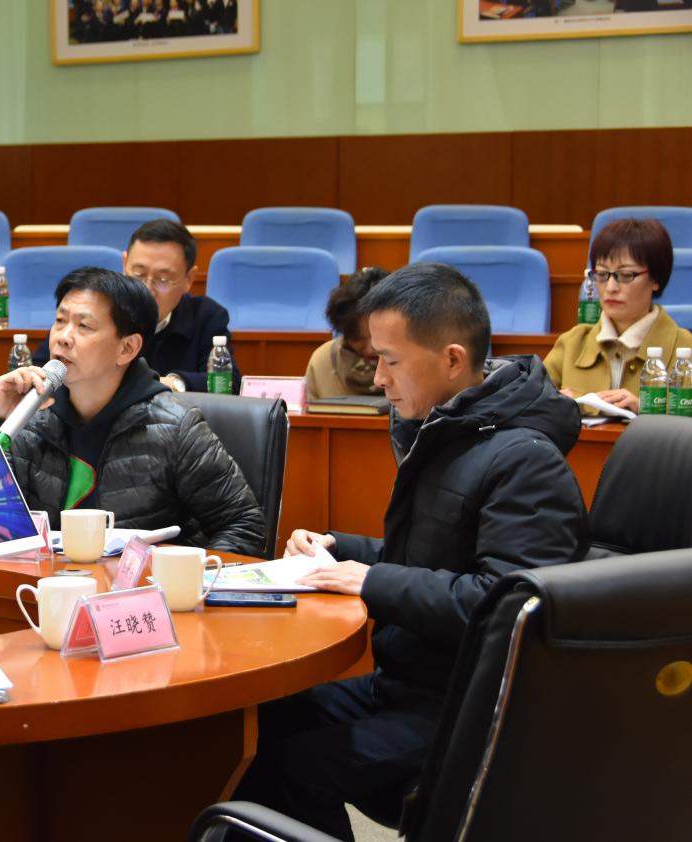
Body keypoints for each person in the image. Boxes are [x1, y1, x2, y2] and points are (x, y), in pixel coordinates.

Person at [233, 263, 588, 840]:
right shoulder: (451, 432)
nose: (378, 379)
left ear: (452, 359)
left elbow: (508, 606)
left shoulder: (525, 460)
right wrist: (339, 550)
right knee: (258, 722)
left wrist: (368, 582)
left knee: (292, 771)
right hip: (407, 682)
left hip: (469, 706)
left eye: (390, 361)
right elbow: (435, 558)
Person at [0, 266, 264, 556]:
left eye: (84, 326)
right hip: (46, 582)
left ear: (127, 348)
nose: (63, 337)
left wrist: (179, 573)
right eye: (60, 321)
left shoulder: (175, 426)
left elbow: (245, 526)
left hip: (145, 583)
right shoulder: (31, 418)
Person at [33, 219, 240, 393]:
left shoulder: (207, 316)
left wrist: (174, 383)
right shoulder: (98, 311)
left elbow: (228, 383)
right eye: (139, 274)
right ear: (124, 264)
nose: (147, 288)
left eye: (163, 279)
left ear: (189, 279)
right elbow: (40, 369)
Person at [544, 217, 692, 415]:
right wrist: (552, 404)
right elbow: (525, 406)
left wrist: (646, 409)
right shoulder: (572, 343)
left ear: (655, 279)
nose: (611, 287)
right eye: (602, 274)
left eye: (626, 275)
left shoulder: (685, 347)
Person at [304, 266, 389, 400]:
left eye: (377, 337)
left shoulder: (414, 360)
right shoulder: (323, 361)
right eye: (357, 338)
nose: (370, 349)